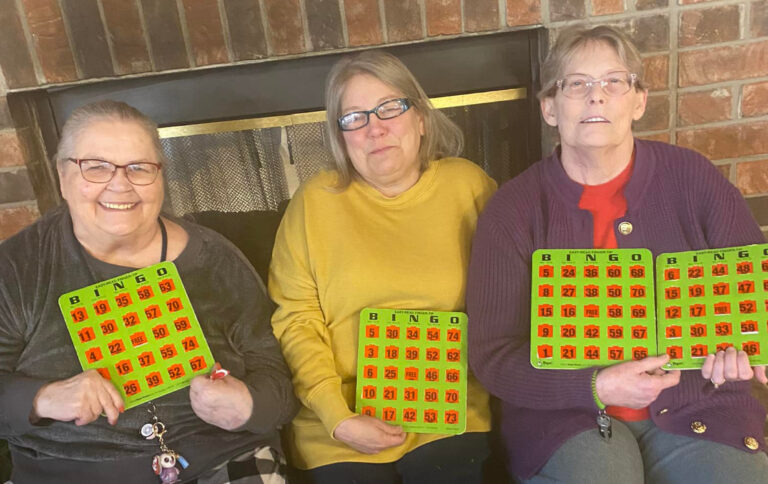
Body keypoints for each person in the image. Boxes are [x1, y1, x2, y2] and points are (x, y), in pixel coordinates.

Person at [467, 25, 768, 484]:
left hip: (697, 401)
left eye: (614, 81)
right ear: (550, 107)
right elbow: (492, 357)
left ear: (638, 100)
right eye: (577, 84)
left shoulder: (692, 177)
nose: (596, 97)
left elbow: (755, 294)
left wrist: (749, 347)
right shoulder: (513, 209)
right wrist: (594, 385)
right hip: (564, 418)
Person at [0, 100, 299, 484]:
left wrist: (249, 406)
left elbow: (277, 373)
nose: (120, 183)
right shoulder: (17, 266)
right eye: (95, 166)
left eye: (139, 167)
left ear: (160, 178)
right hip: (70, 471)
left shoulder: (216, 258)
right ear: (62, 176)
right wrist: (42, 398)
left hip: (218, 458)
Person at [269, 50, 496, 483]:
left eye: (390, 107)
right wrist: (336, 415)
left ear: (421, 117)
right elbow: (296, 319)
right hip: (338, 421)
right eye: (354, 117)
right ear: (341, 136)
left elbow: (507, 293)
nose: (375, 128)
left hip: (448, 410)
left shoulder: (467, 186)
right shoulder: (314, 202)